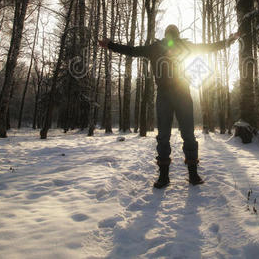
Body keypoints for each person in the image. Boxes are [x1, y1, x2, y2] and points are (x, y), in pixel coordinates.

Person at [98, 24, 239, 188]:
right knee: (169, 135)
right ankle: (169, 176)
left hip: (181, 93)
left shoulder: (168, 46)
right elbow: (208, 47)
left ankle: (185, 175)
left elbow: (133, 50)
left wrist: (110, 45)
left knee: (183, 134)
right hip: (170, 95)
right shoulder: (158, 47)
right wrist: (229, 41)